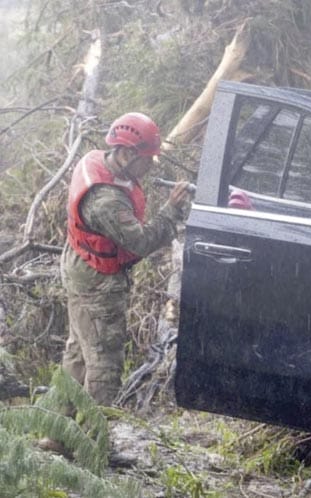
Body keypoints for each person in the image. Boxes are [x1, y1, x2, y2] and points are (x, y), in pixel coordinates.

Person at [60, 112, 193, 406]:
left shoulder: (99, 162)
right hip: (97, 281)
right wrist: (171, 210)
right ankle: (91, 444)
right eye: (147, 158)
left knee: (79, 352)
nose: (151, 165)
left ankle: (58, 434)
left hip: (80, 268)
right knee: (104, 364)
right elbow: (142, 241)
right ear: (125, 154)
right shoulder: (106, 200)